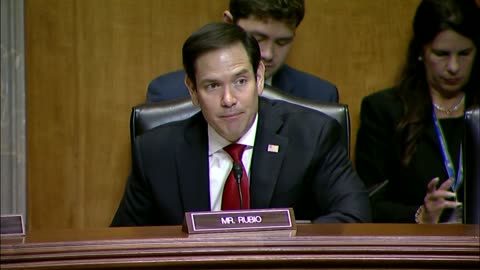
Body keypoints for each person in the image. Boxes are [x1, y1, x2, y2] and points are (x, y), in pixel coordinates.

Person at [111, 22, 370, 226]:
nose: (228, 99)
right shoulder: (156, 153)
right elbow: (125, 244)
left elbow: (353, 215)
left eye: (240, 81)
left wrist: (277, 246)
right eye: (212, 86)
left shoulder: (312, 136)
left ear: (259, 78)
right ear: (192, 90)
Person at [355, 0, 479, 223]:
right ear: (421, 52)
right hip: (416, 249)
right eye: (441, 54)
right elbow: (367, 203)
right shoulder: (384, 110)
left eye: (464, 54)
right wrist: (420, 214)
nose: (453, 67)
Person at [146, 0, 338, 103]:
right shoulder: (169, 94)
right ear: (229, 24)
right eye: (258, 38)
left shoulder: (318, 97)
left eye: (282, 42)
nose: (268, 54)